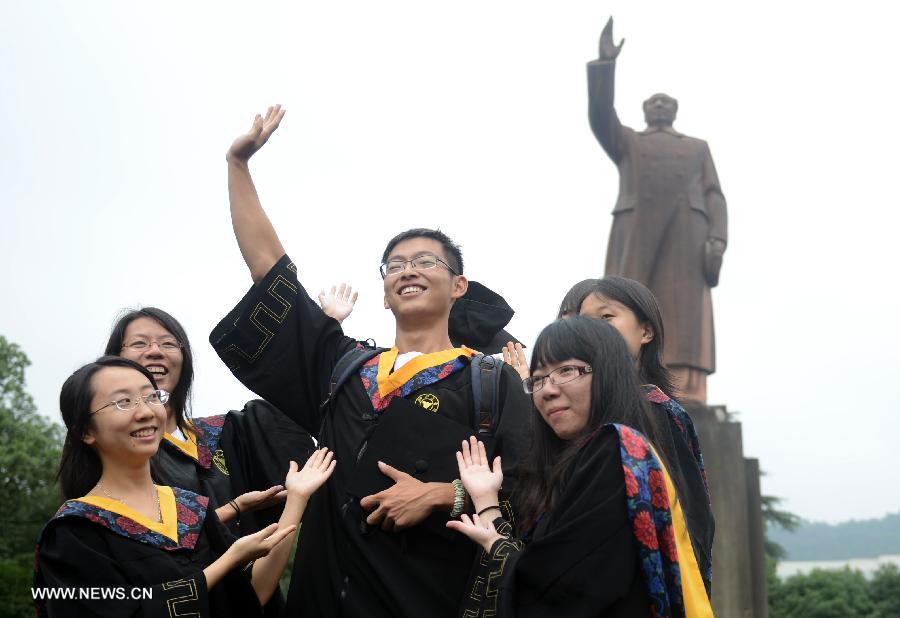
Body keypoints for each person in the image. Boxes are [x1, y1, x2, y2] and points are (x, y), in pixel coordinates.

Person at [209, 105, 531, 618]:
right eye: (395, 265)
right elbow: (271, 271)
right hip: (323, 599)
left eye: (427, 261)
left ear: (458, 287)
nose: (408, 270)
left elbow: (530, 488)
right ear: (384, 293)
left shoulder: (487, 381)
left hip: (428, 597)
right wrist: (237, 166)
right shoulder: (344, 369)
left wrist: (439, 495)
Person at [447, 317, 714, 617]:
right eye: (537, 379)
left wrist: (497, 546)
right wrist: (486, 501)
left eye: (567, 371)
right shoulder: (584, 461)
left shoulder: (614, 451)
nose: (547, 390)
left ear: (609, 375)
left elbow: (558, 590)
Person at [34, 356, 334, 617]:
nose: (145, 411)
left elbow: (253, 597)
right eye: (123, 402)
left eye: (152, 397)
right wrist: (228, 560)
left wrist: (297, 497)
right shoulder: (74, 531)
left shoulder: (189, 510)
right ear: (85, 430)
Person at [588, 18, 728, 403]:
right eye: (655, 102)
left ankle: (687, 386)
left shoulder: (697, 146)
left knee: (685, 312)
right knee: (625, 302)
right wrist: (605, 66)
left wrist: (717, 238)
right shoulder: (630, 142)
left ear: (676, 110)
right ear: (646, 111)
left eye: (668, 102)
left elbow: (714, 193)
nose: (661, 105)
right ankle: (626, 373)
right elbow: (601, 118)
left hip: (687, 234)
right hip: (637, 233)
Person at [106, 307, 317, 538]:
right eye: (139, 344)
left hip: (252, 571)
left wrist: (317, 342)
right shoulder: (113, 450)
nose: (155, 351)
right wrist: (235, 508)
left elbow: (292, 403)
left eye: (168, 343)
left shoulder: (227, 432)